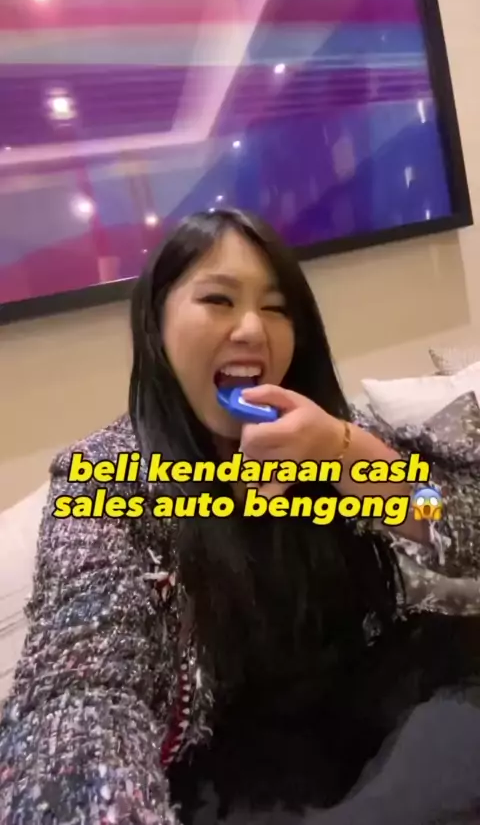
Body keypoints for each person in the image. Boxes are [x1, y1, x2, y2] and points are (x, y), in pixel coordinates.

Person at [1, 208, 480, 825]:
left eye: (277, 307)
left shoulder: (327, 429)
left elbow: (457, 523)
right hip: (231, 776)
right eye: (218, 299)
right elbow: (79, 691)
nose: (253, 329)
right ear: (156, 324)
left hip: (382, 707)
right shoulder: (102, 477)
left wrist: (346, 452)